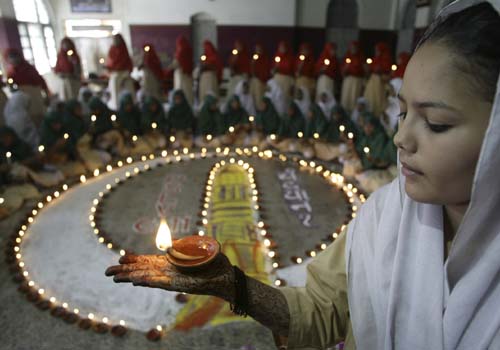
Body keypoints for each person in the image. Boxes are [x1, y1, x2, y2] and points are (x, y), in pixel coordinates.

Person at [106, 2, 500, 349]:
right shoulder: (385, 217)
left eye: (435, 123)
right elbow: (319, 310)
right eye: (402, 113)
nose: (400, 138)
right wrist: (232, 286)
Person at [4, 48, 50, 127]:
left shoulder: (29, 68)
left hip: (35, 94)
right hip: (22, 97)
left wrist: (46, 94)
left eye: (15, 56)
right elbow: (11, 86)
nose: (13, 59)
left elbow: (40, 81)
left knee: (40, 114)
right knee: (30, 118)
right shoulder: (11, 72)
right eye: (10, 57)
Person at [363, 42, 393, 117]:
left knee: (378, 101)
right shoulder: (375, 59)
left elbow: (387, 73)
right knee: (371, 99)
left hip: (379, 85)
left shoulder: (386, 60)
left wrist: (380, 72)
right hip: (372, 84)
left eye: (378, 50)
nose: (376, 52)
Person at [105, 33, 135, 110]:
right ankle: (117, 107)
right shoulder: (112, 49)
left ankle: (132, 106)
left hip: (125, 72)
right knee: (115, 90)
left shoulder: (123, 48)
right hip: (116, 73)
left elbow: (126, 60)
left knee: (130, 89)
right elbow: (111, 61)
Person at [340, 41, 366, 114]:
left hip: (357, 81)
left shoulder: (360, 57)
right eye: (352, 47)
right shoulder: (347, 56)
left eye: (354, 47)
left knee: (354, 97)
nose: (353, 49)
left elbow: (364, 71)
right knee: (346, 98)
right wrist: (346, 68)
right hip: (348, 80)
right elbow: (342, 72)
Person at [171, 36, 194, 106]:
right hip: (187, 76)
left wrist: (168, 69)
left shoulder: (181, 51)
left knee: (181, 91)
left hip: (181, 75)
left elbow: (176, 63)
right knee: (188, 92)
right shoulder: (189, 50)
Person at [272, 41, 295, 110]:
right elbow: (272, 71)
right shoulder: (277, 56)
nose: (282, 49)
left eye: (284, 47)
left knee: (286, 99)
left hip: (287, 81)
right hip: (278, 80)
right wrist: (276, 67)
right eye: (281, 47)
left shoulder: (290, 57)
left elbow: (292, 70)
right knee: (277, 98)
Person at [249, 43, 271, 111]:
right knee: (252, 96)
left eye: (259, 49)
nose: (258, 51)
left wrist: (261, 78)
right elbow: (251, 71)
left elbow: (265, 71)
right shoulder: (254, 58)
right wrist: (253, 63)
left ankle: (260, 111)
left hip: (261, 81)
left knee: (259, 97)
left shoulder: (265, 59)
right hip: (254, 81)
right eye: (257, 49)